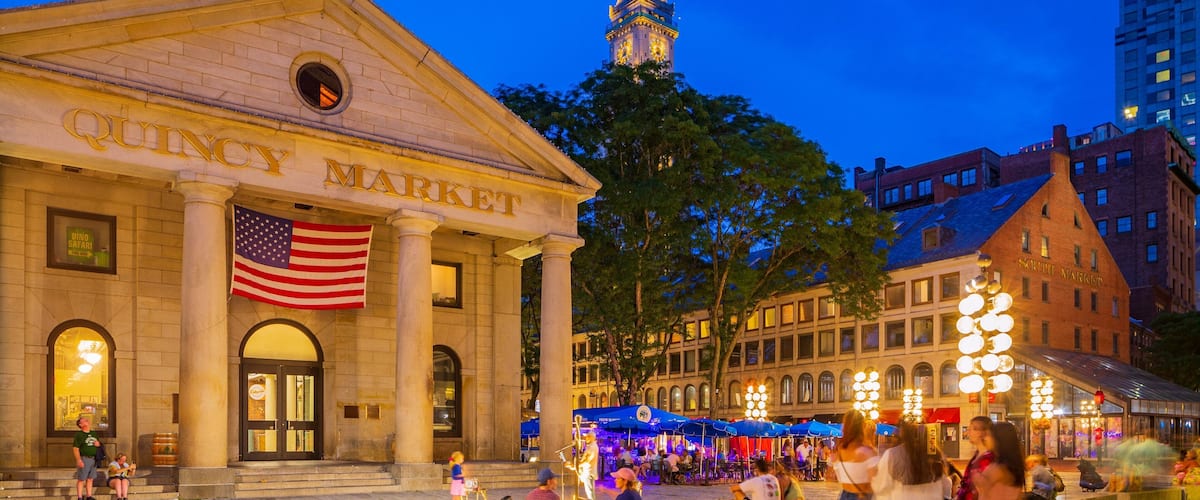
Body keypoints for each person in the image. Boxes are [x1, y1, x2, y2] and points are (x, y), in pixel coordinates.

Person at [870, 422, 945, 500]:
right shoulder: (936, 454)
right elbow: (943, 485)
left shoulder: (892, 454)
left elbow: (881, 486)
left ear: (902, 433)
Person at [830, 409, 878, 500]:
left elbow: (836, 477)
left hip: (844, 495)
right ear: (861, 427)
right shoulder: (867, 452)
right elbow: (876, 482)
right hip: (862, 496)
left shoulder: (840, 450)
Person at [973, 421, 1023, 500]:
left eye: (988, 435)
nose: (984, 438)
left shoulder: (999, 470)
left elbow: (979, 486)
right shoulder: (1010, 466)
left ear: (998, 439)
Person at [955, 416, 994, 500]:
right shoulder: (977, 455)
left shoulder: (988, 459)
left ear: (981, 433)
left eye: (971, 429)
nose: (967, 432)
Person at [72, 416, 102, 500]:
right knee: (81, 479)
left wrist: (98, 444)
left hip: (93, 458)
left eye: (87, 420)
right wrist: (78, 460)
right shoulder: (79, 435)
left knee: (90, 478)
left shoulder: (94, 433)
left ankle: (89, 496)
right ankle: (80, 497)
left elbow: (98, 444)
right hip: (84, 458)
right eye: (84, 421)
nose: (87, 421)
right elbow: (75, 448)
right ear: (80, 425)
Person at [580, 433, 600, 500]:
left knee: (590, 493)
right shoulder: (592, 446)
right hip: (589, 471)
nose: (586, 439)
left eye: (588, 437)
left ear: (591, 437)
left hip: (589, 472)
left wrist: (579, 465)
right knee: (590, 491)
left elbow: (588, 459)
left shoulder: (592, 447)